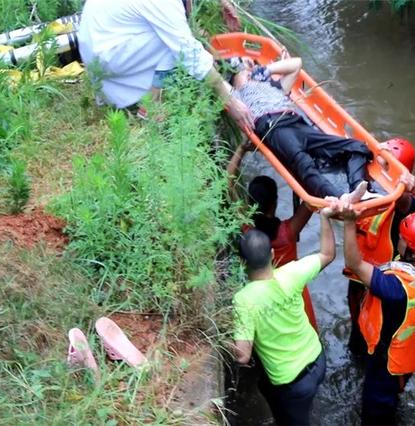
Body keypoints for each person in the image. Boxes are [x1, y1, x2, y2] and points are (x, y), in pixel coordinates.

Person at [232, 196, 343, 425]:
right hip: (317, 359)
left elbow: (242, 355)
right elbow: (328, 254)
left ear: (242, 263)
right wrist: (324, 218)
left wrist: (219, 338)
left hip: (291, 381)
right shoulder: (292, 273)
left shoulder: (243, 300)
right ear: (272, 256)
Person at [341, 201, 415, 425]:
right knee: (393, 392)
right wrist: (408, 185)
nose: (397, 236)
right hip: (409, 353)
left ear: (411, 250)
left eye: (401, 237)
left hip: (388, 362)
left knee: (375, 411)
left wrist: (349, 221)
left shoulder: (396, 289)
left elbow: (355, 262)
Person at [77, 0, 253, 129]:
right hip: (108, 54)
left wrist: (222, 2)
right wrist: (229, 99)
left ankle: (134, 98)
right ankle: (151, 108)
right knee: (173, 43)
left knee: (173, 37)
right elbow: (188, 50)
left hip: (96, 46)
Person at [346, 138, 415, 356]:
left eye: (383, 168)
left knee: (375, 336)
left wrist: (408, 185)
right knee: (360, 333)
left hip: (381, 281)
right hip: (368, 277)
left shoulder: (404, 204)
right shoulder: (380, 197)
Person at [228, 56, 374, 199]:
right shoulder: (235, 97)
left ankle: (358, 188)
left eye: (252, 67)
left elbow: (296, 64)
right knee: (304, 164)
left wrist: (264, 70)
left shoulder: (273, 86)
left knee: (357, 147)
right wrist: (240, 69)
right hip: (273, 126)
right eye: (245, 69)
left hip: (297, 124)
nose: (250, 71)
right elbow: (214, 75)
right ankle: (341, 198)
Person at [227, 142, 317, 329]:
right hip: (294, 295)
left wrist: (242, 148)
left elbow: (228, 182)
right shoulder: (288, 232)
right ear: (275, 202)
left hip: (263, 298)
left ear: (249, 202)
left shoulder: (247, 229)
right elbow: (312, 196)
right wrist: (294, 160)